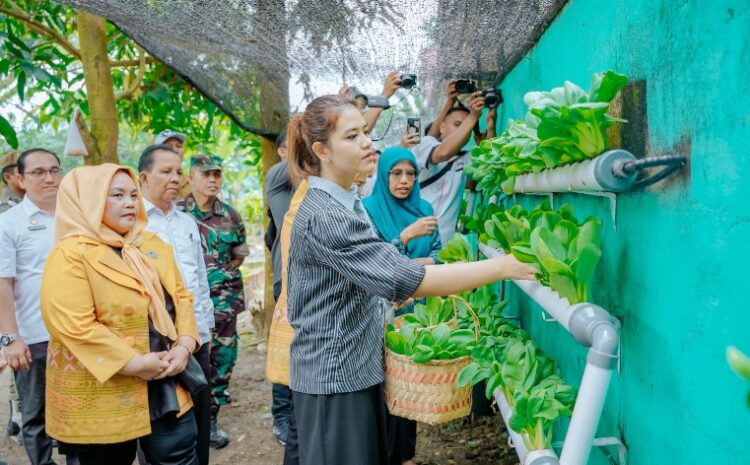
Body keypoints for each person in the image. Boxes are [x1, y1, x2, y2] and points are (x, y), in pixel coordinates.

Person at [284, 95, 537, 465]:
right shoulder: (328, 215)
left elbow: (368, 276)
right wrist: (503, 267)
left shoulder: (346, 201)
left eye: (365, 133)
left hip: (355, 367)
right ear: (322, 150)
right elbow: (407, 278)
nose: (367, 143)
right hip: (333, 379)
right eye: (352, 137)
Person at [40, 164, 201, 465]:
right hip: (104, 387)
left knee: (178, 453)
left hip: (165, 377)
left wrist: (185, 345)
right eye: (116, 195)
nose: (130, 202)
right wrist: (135, 363)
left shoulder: (148, 245)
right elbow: (74, 325)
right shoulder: (70, 254)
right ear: (88, 200)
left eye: (133, 195)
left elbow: (181, 299)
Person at [363, 146, 443, 465]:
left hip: (414, 315)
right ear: (383, 176)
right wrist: (406, 236)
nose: (404, 180)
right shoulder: (367, 210)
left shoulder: (423, 207)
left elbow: (440, 254)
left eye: (410, 173)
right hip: (379, 314)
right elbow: (372, 261)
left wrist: (421, 262)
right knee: (380, 388)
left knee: (406, 388)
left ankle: (405, 456)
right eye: (396, 173)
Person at [139, 144, 215, 465]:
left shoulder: (186, 222)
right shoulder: (133, 225)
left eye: (178, 172)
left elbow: (199, 281)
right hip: (160, 345)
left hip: (197, 337)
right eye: (166, 171)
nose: (175, 178)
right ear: (143, 176)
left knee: (201, 419)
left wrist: (205, 332)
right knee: (165, 427)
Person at [0, 148, 72, 465]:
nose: (49, 178)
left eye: (55, 170)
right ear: (20, 178)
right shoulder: (8, 223)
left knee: (77, 409)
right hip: (34, 335)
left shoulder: (76, 216)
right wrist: (11, 338)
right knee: (36, 415)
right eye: (38, 172)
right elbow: (3, 283)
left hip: (78, 332)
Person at [177, 154, 248, 449]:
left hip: (225, 304)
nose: (212, 180)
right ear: (190, 177)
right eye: (205, 174)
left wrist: (221, 276)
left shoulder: (230, 215)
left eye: (217, 174)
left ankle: (211, 420)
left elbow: (239, 252)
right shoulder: (177, 213)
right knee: (185, 363)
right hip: (184, 306)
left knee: (222, 363)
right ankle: (186, 423)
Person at [413, 81, 494, 245]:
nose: (461, 131)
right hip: (415, 241)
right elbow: (443, 153)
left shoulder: (465, 159)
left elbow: (490, 164)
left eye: (465, 128)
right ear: (442, 127)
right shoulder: (425, 145)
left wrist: (491, 128)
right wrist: (471, 116)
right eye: (457, 125)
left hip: (443, 247)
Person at [264, 131, 296, 447]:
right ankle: (281, 415)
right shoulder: (278, 180)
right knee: (285, 347)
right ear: (281, 152)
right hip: (286, 282)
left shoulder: (315, 185)